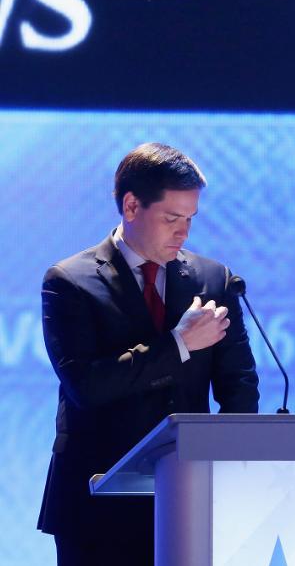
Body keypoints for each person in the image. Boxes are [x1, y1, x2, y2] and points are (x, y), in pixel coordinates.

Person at [37, 143, 260, 565]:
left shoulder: (213, 279)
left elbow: (240, 387)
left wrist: (229, 466)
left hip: (188, 498)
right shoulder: (70, 281)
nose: (183, 233)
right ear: (132, 205)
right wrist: (178, 345)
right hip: (95, 501)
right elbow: (87, 385)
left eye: (191, 219)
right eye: (172, 218)